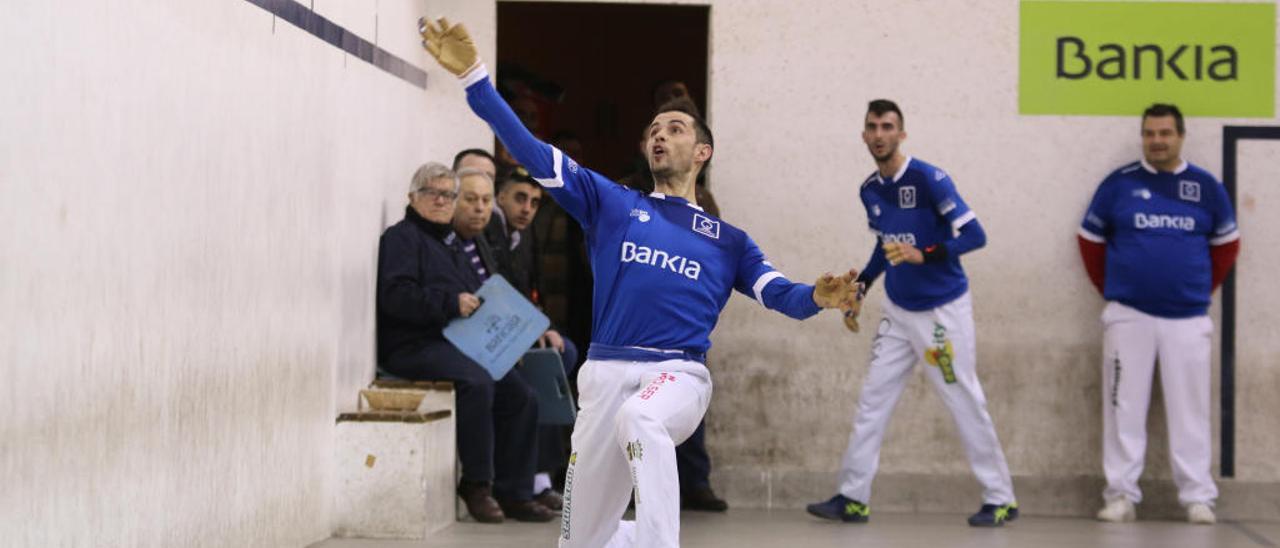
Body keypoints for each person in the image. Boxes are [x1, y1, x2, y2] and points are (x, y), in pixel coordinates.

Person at [420, 18, 856, 547]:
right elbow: (531, 151)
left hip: (677, 374)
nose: (659, 135)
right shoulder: (611, 204)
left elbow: (780, 294)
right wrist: (475, 80)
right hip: (603, 377)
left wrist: (817, 295)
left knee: (643, 417)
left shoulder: (729, 240)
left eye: (674, 129)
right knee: (580, 540)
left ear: (702, 152)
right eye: (653, 130)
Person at [807, 99, 1019, 528]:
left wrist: (926, 253)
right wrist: (861, 286)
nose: (880, 134)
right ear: (864, 135)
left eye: (888, 126)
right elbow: (884, 245)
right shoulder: (870, 189)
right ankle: (853, 498)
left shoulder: (930, 180)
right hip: (898, 313)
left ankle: (1001, 498)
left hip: (942, 313)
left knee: (962, 398)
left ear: (901, 134)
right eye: (872, 127)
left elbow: (976, 236)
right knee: (872, 400)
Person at [1077, 103, 1240, 525]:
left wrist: (1197, 290)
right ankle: (1120, 496)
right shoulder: (1119, 185)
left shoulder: (1205, 187)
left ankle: (1198, 497)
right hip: (1128, 316)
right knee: (1122, 408)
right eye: (1150, 133)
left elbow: (1227, 246)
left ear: (1181, 136)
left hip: (1188, 319)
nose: (1157, 141)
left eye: (1165, 133)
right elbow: (1089, 241)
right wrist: (1115, 289)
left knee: (1191, 411)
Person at [376, 162, 554, 524]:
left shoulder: (451, 244)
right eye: (432, 193)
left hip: (457, 343)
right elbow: (395, 296)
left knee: (521, 394)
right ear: (413, 198)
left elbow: (480, 295)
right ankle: (477, 484)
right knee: (477, 381)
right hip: (413, 345)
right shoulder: (402, 238)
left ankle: (516, 490)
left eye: (448, 195)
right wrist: (449, 303)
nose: (442, 201)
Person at [486, 165, 582, 510]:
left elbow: (532, 292)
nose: (527, 208)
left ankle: (542, 473)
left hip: (519, 329)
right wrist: (531, 329)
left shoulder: (525, 236)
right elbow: (492, 292)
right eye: (520, 198)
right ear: (501, 198)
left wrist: (543, 326)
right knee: (540, 377)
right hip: (492, 333)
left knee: (563, 354)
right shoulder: (487, 231)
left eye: (535, 202)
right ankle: (530, 477)